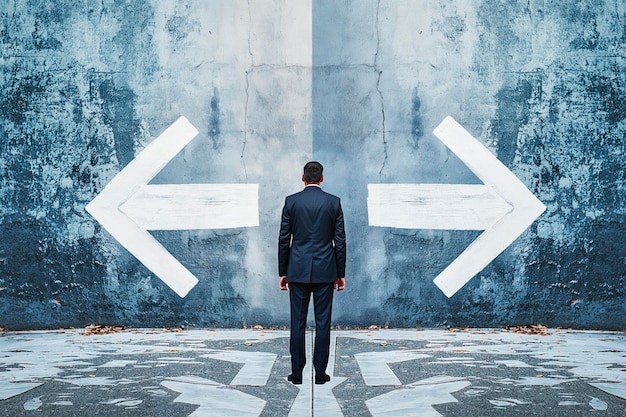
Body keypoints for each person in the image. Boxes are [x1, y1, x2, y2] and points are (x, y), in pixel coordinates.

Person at [278, 161, 346, 385]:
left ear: (302, 178)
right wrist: (340, 273)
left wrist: (283, 271)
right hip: (326, 271)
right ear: (322, 178)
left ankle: (297, 373)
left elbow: (283, 239)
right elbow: (340, 241)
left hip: (296, 270)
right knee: (323, 323)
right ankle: (320, 373)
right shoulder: (333, 203)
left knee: (297, 322)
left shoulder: (291, 202)